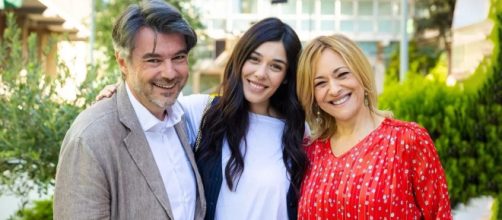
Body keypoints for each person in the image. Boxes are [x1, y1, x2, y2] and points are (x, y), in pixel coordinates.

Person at [96, 17, 308, 220]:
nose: (261, 73)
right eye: (254, 59)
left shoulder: (298, 132)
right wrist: (118, 92)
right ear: (240, 60)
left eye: (276, 66)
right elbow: (146, 105)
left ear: (286, 78)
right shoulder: (203, 112)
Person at [53, 1, 205, 219]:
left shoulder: (185, 119)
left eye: (178, 57)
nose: (170, 73)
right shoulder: (90, 138)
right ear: (122, 62)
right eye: (154, 60)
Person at [295, 34, 452, 219]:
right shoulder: (310, 152)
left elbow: (439, 214)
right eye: (320, 83)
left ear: (361, 74)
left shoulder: (407, 140)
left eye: (342, 74)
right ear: (312, 95)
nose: (335, 89)